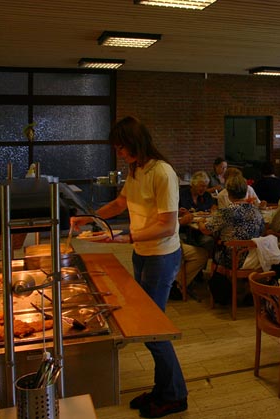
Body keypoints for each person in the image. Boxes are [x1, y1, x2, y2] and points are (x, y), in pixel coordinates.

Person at [72, 116, 188, 417]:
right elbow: (121, 203)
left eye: (122, 148)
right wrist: (91, 217)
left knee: (151, 329)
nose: (120, 154)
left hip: (161, 256)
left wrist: (126, 237)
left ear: (136, 143)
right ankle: (163, 390)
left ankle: (175, 394)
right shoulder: (136, 169)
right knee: (149, 326)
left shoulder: (163, 172)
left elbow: (167, 225)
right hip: (142, 253)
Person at [199, 174, 265, 304]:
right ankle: (242, 291)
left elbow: (207, 229)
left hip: (232, 258)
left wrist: (201, 222)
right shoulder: (256, 211)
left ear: (228, 193)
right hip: (254, 257)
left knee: (214, 246)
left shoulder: (226, 212)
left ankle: (226, 293)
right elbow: (262, 231)